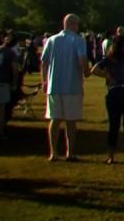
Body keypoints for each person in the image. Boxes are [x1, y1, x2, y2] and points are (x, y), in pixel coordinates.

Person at [40, 14, 90, 162]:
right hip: (72, 85)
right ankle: (70, 152)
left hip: (54, 85)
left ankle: (53, 152)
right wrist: (86, 71)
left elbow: (44, 62)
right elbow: (82, 59)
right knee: (71, 121)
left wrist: (44, 81)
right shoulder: (78, 40)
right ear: (73, 25)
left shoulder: (51, 40)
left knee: (54, 120)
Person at [90, 33, 124, 164]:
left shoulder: (110, 57)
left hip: (114, 92)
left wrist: (108, 77)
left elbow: (94, 70)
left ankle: (111, 156)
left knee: (113, 125)